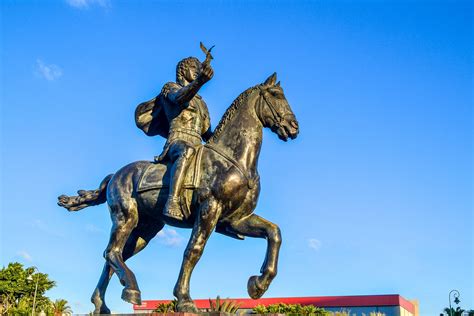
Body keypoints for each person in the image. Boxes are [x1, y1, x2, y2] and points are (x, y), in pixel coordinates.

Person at [135, 46, 214, 220]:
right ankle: (173, 200)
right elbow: (180, 99)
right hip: (177, 142)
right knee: (187, 150)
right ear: (183, 70)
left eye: (200, 69)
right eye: (194, 68)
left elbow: (208, 134)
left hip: (198, 146)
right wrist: (199, 82)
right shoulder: (170, 88)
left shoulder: (202, 103)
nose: (198, 71)